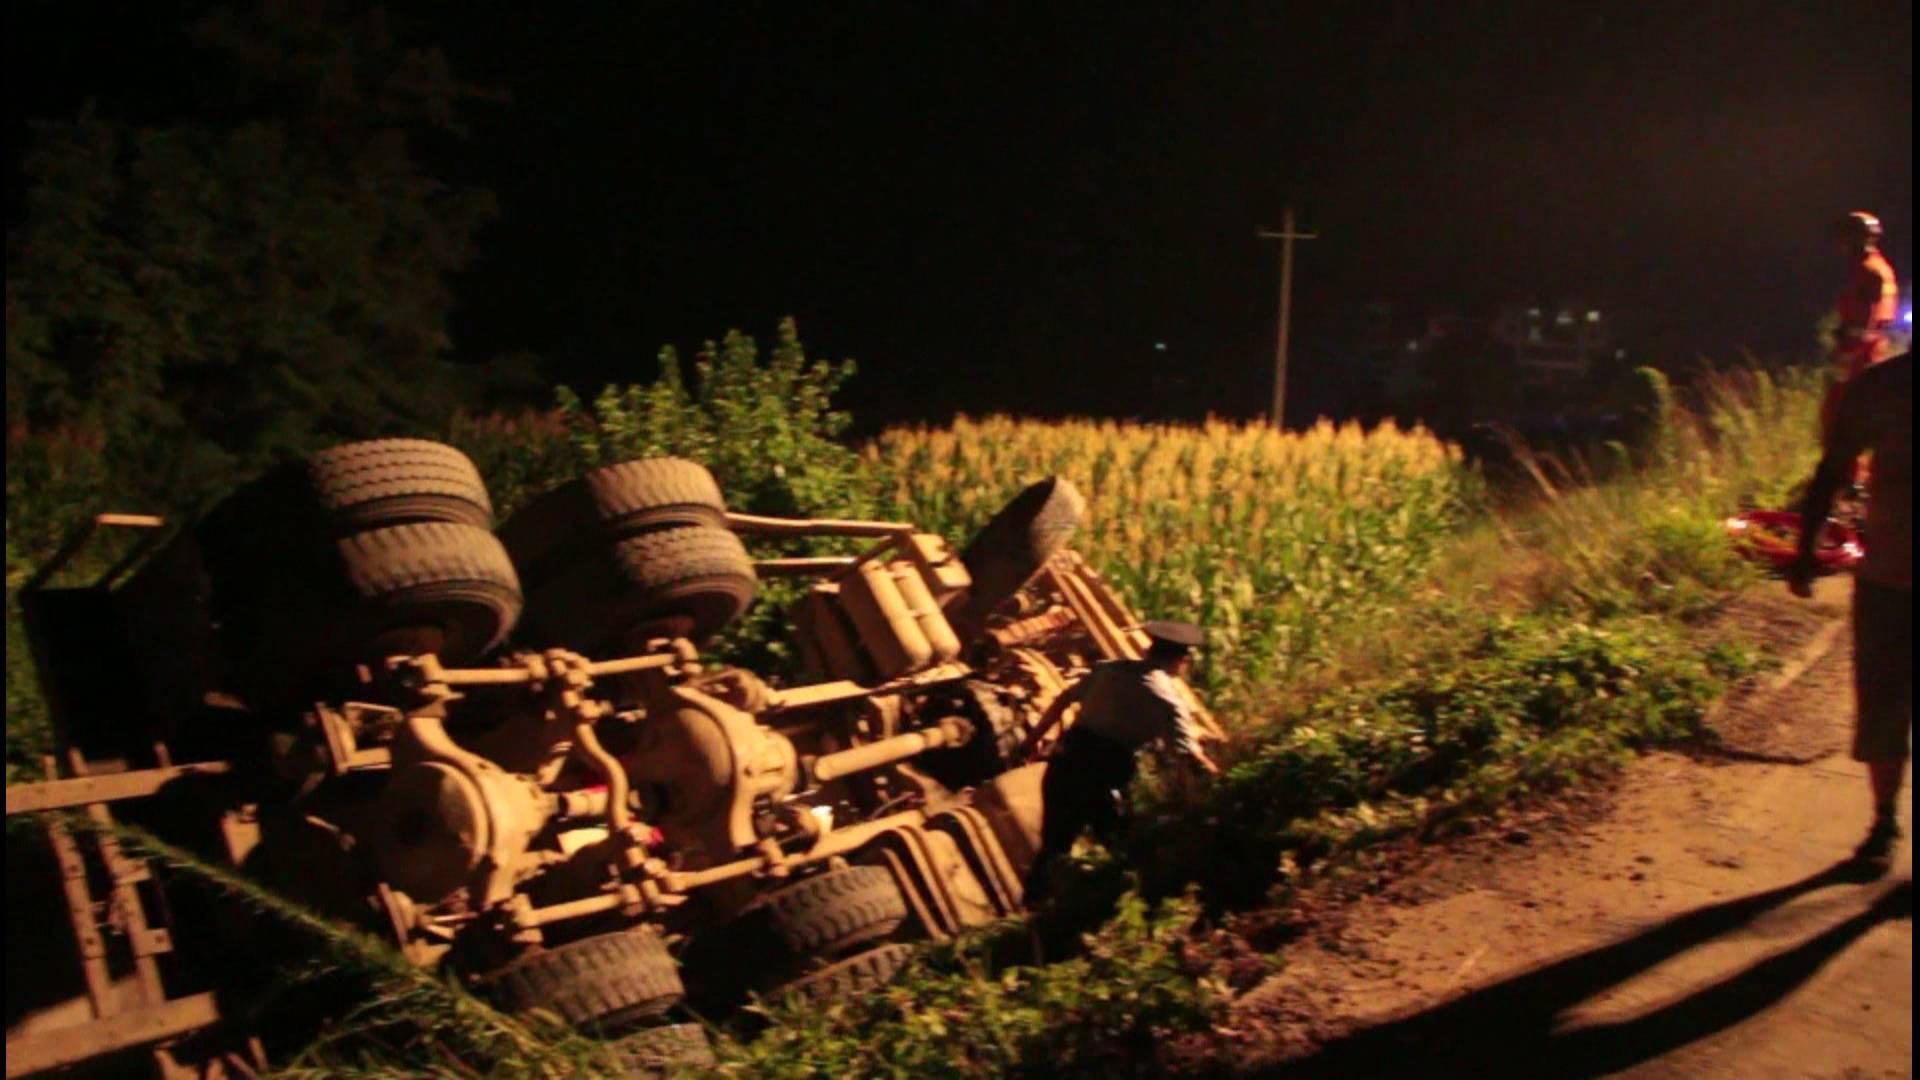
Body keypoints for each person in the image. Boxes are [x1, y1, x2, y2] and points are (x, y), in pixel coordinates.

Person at [1787, 350, 1912, 877]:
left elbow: (1832, 471)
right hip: (1889, 576)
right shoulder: (1882, 387)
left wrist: (1805, 552)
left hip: (1887, 573)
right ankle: (1884, 821)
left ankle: (1883, 824)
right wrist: (1805, 549)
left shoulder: (1882, 385)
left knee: (1882, 704)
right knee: (1882, 707)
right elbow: (1833, 469)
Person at [1021, 620, 1220, 906]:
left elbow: (1063, 700)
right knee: (1124, 848)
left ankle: (1033, 913)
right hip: (1100, 779)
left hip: (1064, 766)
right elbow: (1186, 754)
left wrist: (1031, 741)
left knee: (1053, 846)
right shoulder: (1168, 699)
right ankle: (1129, 906)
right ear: (1181, 661)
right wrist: (1220, 780)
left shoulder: (1108, 670)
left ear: (1149, 649)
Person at [1820, 211, 1901, 491]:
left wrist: (1844, 355)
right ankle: (1855, 477)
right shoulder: (1881, 267)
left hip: (1858, 355)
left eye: (1845, 238)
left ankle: (1847, 480)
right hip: (1872, 351)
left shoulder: (1868, 271)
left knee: (1839, 417)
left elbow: (1863, 320)